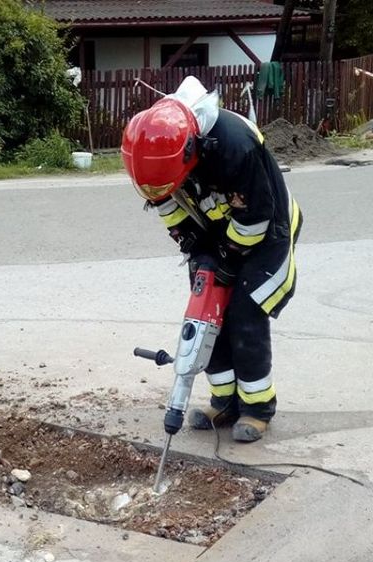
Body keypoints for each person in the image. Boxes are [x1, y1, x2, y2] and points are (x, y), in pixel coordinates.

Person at [120, 77, 302, 443]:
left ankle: (257, 407)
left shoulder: (236, 145)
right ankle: (224, 399)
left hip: (265, 232)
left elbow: (256, 217)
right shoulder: (149, 150)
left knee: (243, 315)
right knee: (205, 314)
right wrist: (191, 244)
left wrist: (230, 257)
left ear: (191, 150)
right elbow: (166, 203)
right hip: (214, 232)